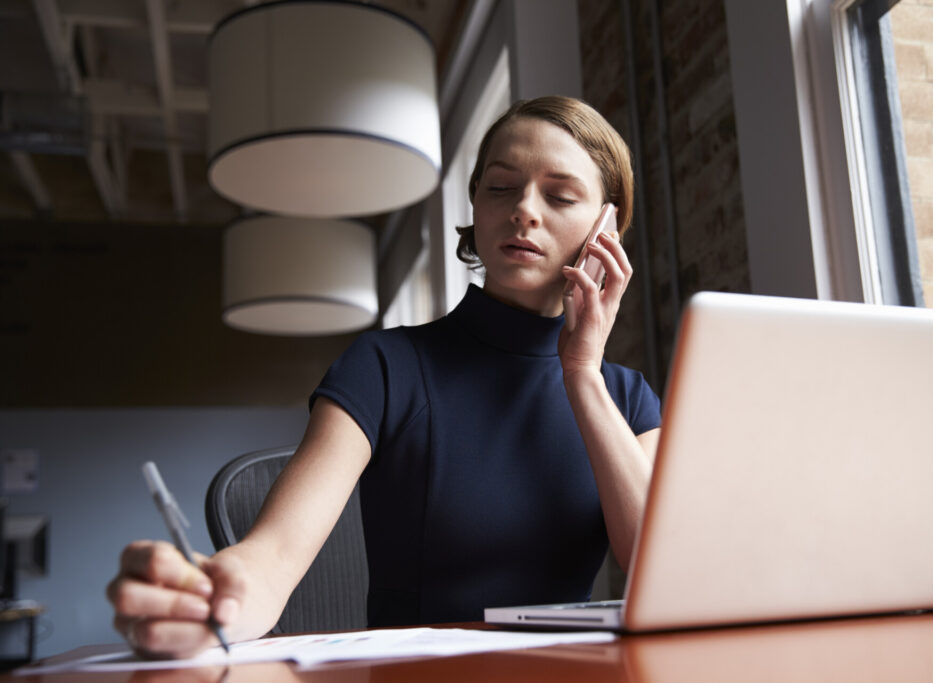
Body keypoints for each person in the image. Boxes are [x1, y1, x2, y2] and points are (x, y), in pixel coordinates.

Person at [106, 95, 662, 658]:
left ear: (606, 228)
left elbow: (658, 571)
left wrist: (582, 374)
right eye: (499, 187)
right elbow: (271, 558)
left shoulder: (627, 398)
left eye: (560, 195)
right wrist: (209, 598)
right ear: (476, 204)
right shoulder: (385, 366)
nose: (523, 210)